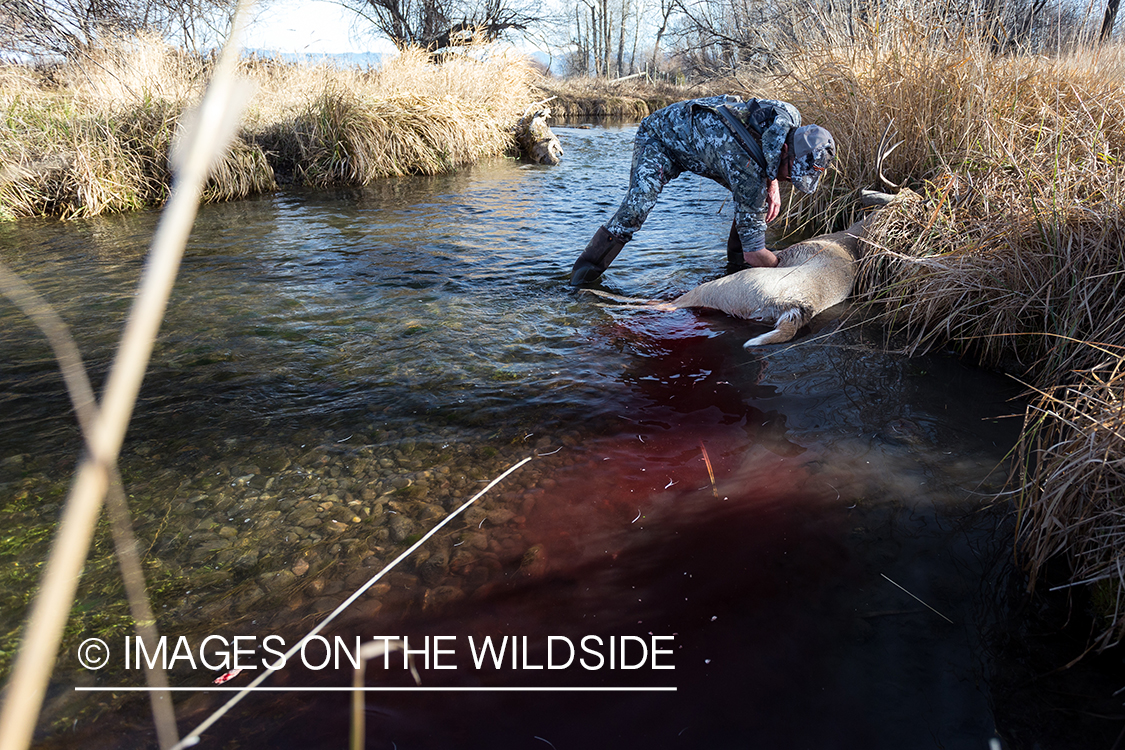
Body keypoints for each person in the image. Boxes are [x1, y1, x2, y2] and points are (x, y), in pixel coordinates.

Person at [569, 95, 836, 285]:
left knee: (753, 203)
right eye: (790, 174)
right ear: (787, 149)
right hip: (661, 138)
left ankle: (734, 276)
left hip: (712, 150)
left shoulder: (790, 116)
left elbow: (770, 151)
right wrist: (787, 270)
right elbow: (755, 252)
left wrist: (774, 181)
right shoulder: (746, 168)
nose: (790, 180)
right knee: (636, 210)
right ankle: (580, 281)